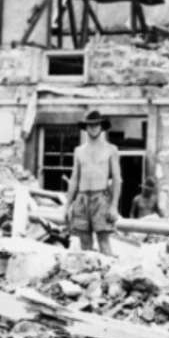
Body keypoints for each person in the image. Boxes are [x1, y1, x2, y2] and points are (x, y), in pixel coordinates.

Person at [65, 110, 122, 256]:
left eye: (96, 124)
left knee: (104, 242)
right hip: (82, 199)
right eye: (90, 125)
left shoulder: (111, 149)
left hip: (101, 198)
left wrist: (114, 205)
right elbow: (74, 179)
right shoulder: (79, 151)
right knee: (84, 245)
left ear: (102, 126)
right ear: (85, 127)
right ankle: (91, 277)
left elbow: (117, 178)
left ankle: (109, 276)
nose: (93, 128)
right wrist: (67, 206)